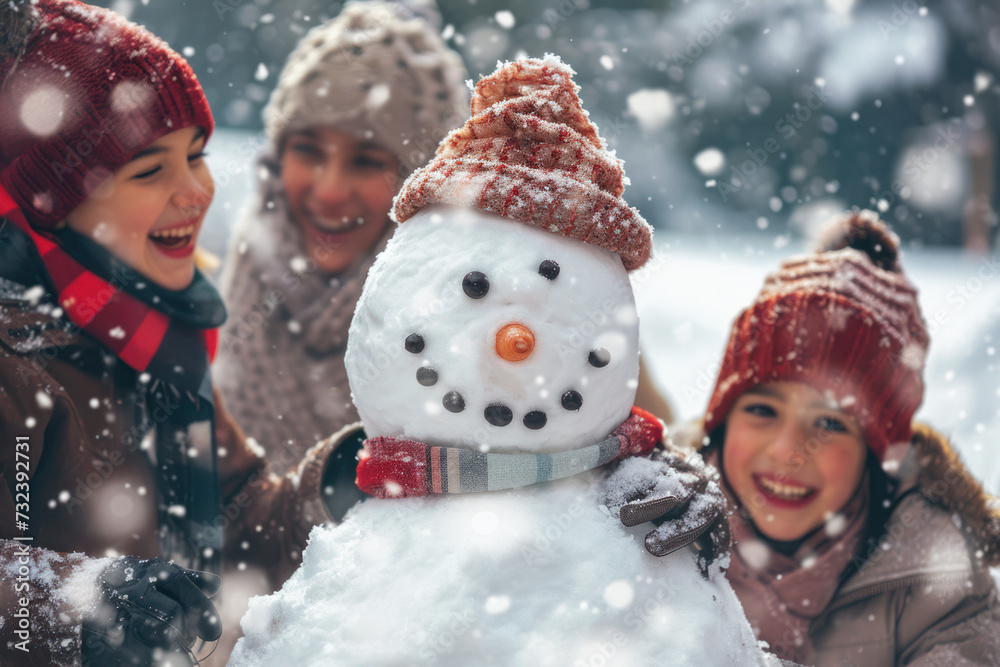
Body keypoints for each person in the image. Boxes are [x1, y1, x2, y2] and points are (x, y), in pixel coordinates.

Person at [0, 2, 360, 664]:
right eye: (149, 170)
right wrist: (81, 608)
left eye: (195, 155)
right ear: (54, 203)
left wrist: (334, 485)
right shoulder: (17, 367)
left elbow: (240, 529)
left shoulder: (156, 340)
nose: (196, 190)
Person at [608, 211, 1000, 665]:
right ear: (722, 421)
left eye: (831, 423)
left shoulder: (937, 584)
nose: (788, 451)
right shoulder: (650, 511)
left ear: (874, 455)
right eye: (762, 410)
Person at [213, 1, 469, 474]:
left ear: (421, 182)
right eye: (308, 150)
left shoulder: (501, 296)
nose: (328, 190)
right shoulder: (237, 276)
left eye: (367, 161)